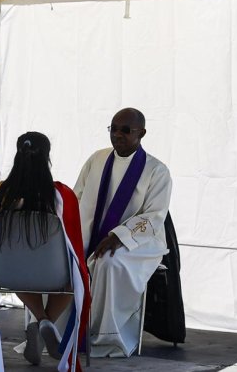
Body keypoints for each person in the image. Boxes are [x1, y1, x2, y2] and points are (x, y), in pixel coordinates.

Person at [73, 107, 172, 358]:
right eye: (114, 128)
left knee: (109, 263)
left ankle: (106, 335)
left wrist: (119, 236)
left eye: (126, 130)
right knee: (67, 260)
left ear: (142, 133)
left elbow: (154, 216)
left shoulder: (157, 171)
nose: (118, 134)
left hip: (139, 242)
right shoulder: (97, 160)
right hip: (91, 233)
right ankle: (66, 330)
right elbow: (77, 197)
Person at [0, 132, 89, 369]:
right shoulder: (62, 195)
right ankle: (47, 322)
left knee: (18, 269)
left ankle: (42, 320)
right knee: (74, 277)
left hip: (9, 273)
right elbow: (73, 241)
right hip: (54, 273)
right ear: (47, 158)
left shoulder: (1, 192)